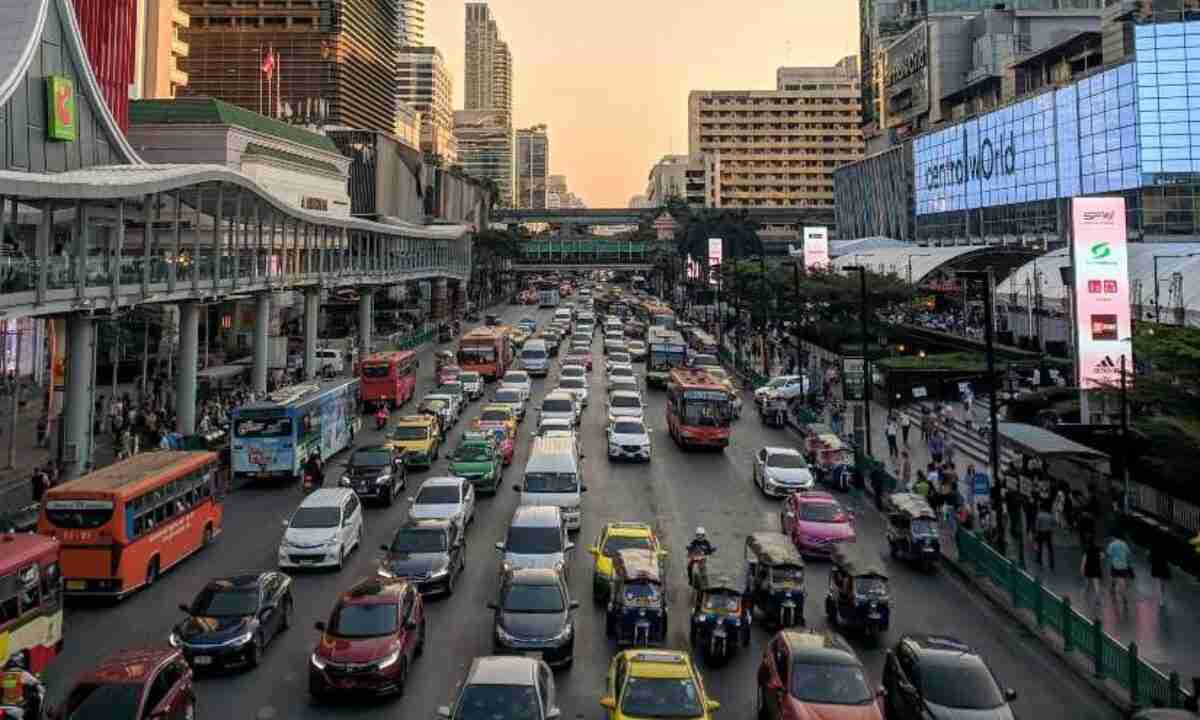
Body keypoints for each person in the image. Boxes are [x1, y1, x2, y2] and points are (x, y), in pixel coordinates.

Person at [0, 655, 44, 719]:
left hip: (3, 706)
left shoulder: (3, 674)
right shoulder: (21, 673)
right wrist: (39, 684)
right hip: (17, 707)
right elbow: (36, 683)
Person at [1106, 532, 1133, 601]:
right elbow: (1128, 553)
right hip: (1124, 565)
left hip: (1114, 565)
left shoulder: (1112, 544)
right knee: (1122, 580)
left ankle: (1112, 589)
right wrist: (1128, 562)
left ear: (1114, 537)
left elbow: (1108, 553)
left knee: (1113, 577)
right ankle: (1124, 595)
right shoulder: (1124, 544)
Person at [1034, 502, 1056, 569]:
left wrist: (1036, 533)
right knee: (1050, 548)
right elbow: (1053, 524)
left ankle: (1039, 559)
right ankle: (1052, 561)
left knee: (1040, 547)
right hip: (1048, 533)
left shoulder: (1039, 515)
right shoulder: (1050, 515)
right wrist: (1051, 531)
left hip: (1041, 533)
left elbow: (1037, 526)